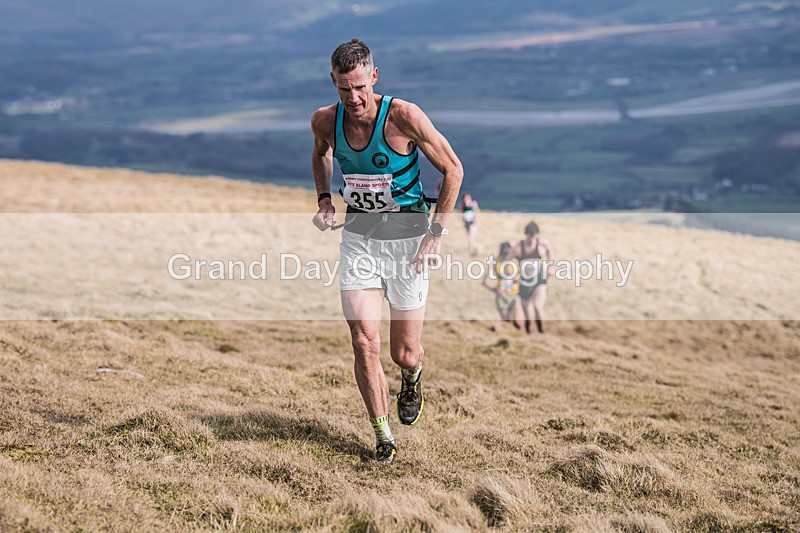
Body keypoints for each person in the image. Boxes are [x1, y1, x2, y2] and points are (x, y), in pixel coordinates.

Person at [311, 39, 463, 463]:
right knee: (364, 342)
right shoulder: (325, 120)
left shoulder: (403, 116)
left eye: (360, 87)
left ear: (374, 77)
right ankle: (383, 438)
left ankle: (411, 376)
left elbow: (453, 169)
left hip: (409, 244)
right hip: (359, 241)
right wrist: (324, 199)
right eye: (344, 89)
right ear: (333, 82)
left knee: (403, 353)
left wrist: (436, 233)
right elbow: (320, 155)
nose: (354, 98)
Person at [512, 221, 554, 334]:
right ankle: (530, 330)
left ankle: (542, 329)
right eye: (530, 236)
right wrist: (515, 274)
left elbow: (550, 250)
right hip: (524, 281)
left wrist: (550, 267)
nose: (532, 239)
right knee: (528, 313)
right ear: (525, 235)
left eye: (534, 236)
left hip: (539, 278)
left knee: (537, 307)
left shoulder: (542, 244)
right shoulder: (519, 246)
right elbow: (513, 260)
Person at [483, 241, 523, 328]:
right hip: (502, 296)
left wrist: (516, 279)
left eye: (508, 253)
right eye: (504, 253)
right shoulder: (495, 262)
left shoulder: (515, 261)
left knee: (518, 322)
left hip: (514, 295)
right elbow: (485, 282)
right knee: (506, 323)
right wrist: (495, 290)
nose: (506, 255)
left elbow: (522, 277)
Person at [460, 192, 479, 257]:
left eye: (467, 197)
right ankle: (473, 250)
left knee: (471, 237)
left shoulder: (473, 204)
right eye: (465, 198)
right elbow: (461, 212)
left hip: (472, 222)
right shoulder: (463, 205)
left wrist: (476, 219)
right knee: (469, 237)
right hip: (466, 222)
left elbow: (476, 211)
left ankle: (473, 251)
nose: (466, 199)